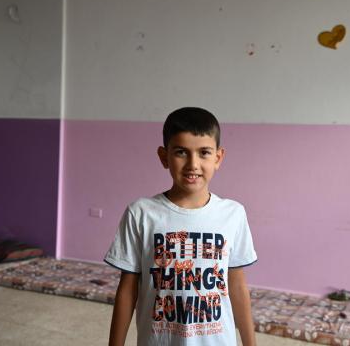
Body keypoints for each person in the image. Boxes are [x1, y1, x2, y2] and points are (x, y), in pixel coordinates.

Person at [105, 107, 257, 345]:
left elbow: (237, 285)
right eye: (181, 152)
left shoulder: (233, 214)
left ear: (218, 158)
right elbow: (127, 290)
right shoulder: (141, 213)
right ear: (164, 157)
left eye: (204, 152)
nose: (193, 164)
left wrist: (250, 343)